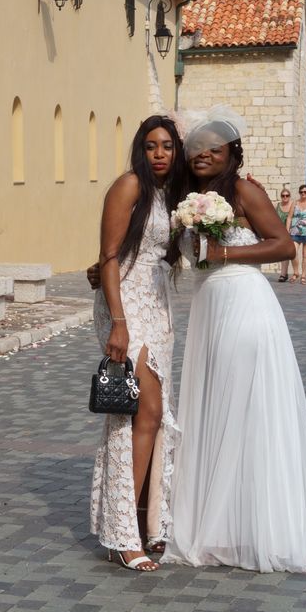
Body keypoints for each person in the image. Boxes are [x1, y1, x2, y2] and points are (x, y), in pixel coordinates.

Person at [161, 106, 306, 573]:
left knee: (245, 406)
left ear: (232, 153)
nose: (202, 154)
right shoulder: (188, 199)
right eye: (196, 148)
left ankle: (258, 530)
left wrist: (223, 252)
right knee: (218, 409)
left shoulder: (243, 190)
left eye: (213, 148)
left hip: (244, 303)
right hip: (209, 307)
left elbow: (283, 244)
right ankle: (223, 527)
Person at [90, 115, 183, 572]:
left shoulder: (173, 195)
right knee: (141, 410)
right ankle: (123, 534)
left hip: (159, 304)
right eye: (151, 146)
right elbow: (108, 257)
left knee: (154, 415)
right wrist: (119, 323)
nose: (159, 154)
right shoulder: (128, 186)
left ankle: (146, 523)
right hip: (125, 302)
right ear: (140, 150)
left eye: (167, 146)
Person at [286, 183, 306, 285]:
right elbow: (289, 217)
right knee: (293, 253)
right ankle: (296, 272)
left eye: (305, 192)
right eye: (301, 192)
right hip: (295, 232)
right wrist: (287, 230)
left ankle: (304, 276)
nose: (303, 193)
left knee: (305, 255)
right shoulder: (295, 203)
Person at [275, 186, 293, 281]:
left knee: (290, 253)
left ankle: (287, 274)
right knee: (283, 253)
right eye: (283, 195)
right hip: (281, 233)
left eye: (287, 195)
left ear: (290, 196)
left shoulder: (293, 205)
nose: (285, 197)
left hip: (292, 233)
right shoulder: (277, 206)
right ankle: (284, 274)